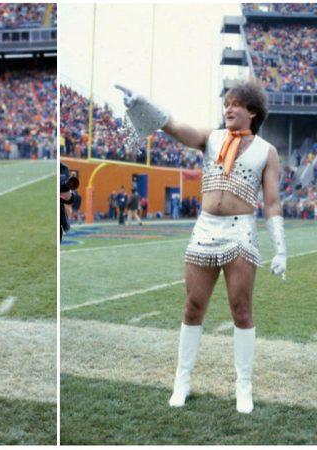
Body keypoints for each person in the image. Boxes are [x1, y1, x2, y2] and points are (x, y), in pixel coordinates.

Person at [117, 81, 286, 414]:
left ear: (252, 111)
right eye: (226, 103)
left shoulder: (267, 151)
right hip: (205, 227)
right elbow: (175, 128)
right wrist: (144, 105)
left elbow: (273, 203)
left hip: (241, 232)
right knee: (193, 306)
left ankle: (243, 386)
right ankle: (182, 381)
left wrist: (280, 248)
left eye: (236, 104)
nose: (229, 108)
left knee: (241, 310)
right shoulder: (211, 137)